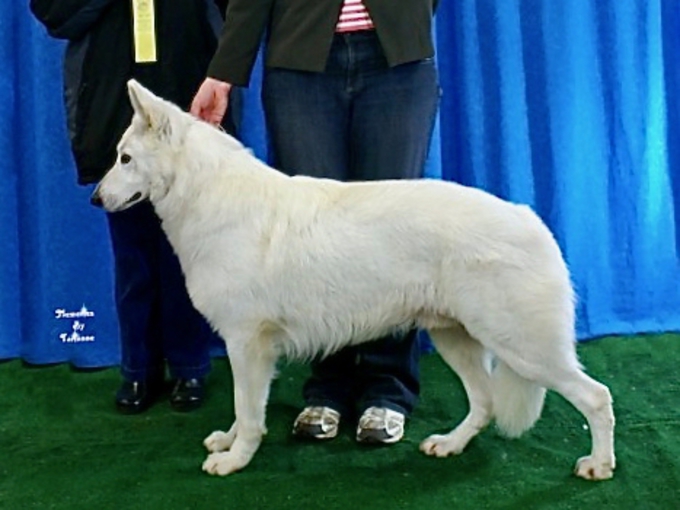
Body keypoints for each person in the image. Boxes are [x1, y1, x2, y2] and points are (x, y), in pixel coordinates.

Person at [191, 0, 440, 443]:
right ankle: (328, 385)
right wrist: (223, 72)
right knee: (312, 237)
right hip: (301, 67)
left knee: (391, 232)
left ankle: (388, 388)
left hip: (398, 64)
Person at [30, 0, 239, 414]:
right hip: (112, 101)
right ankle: (138, 366)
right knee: (132, 256)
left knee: (191, 252)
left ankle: (188, 364)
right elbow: (56, 13)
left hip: (189, 92)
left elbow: (239, 12)